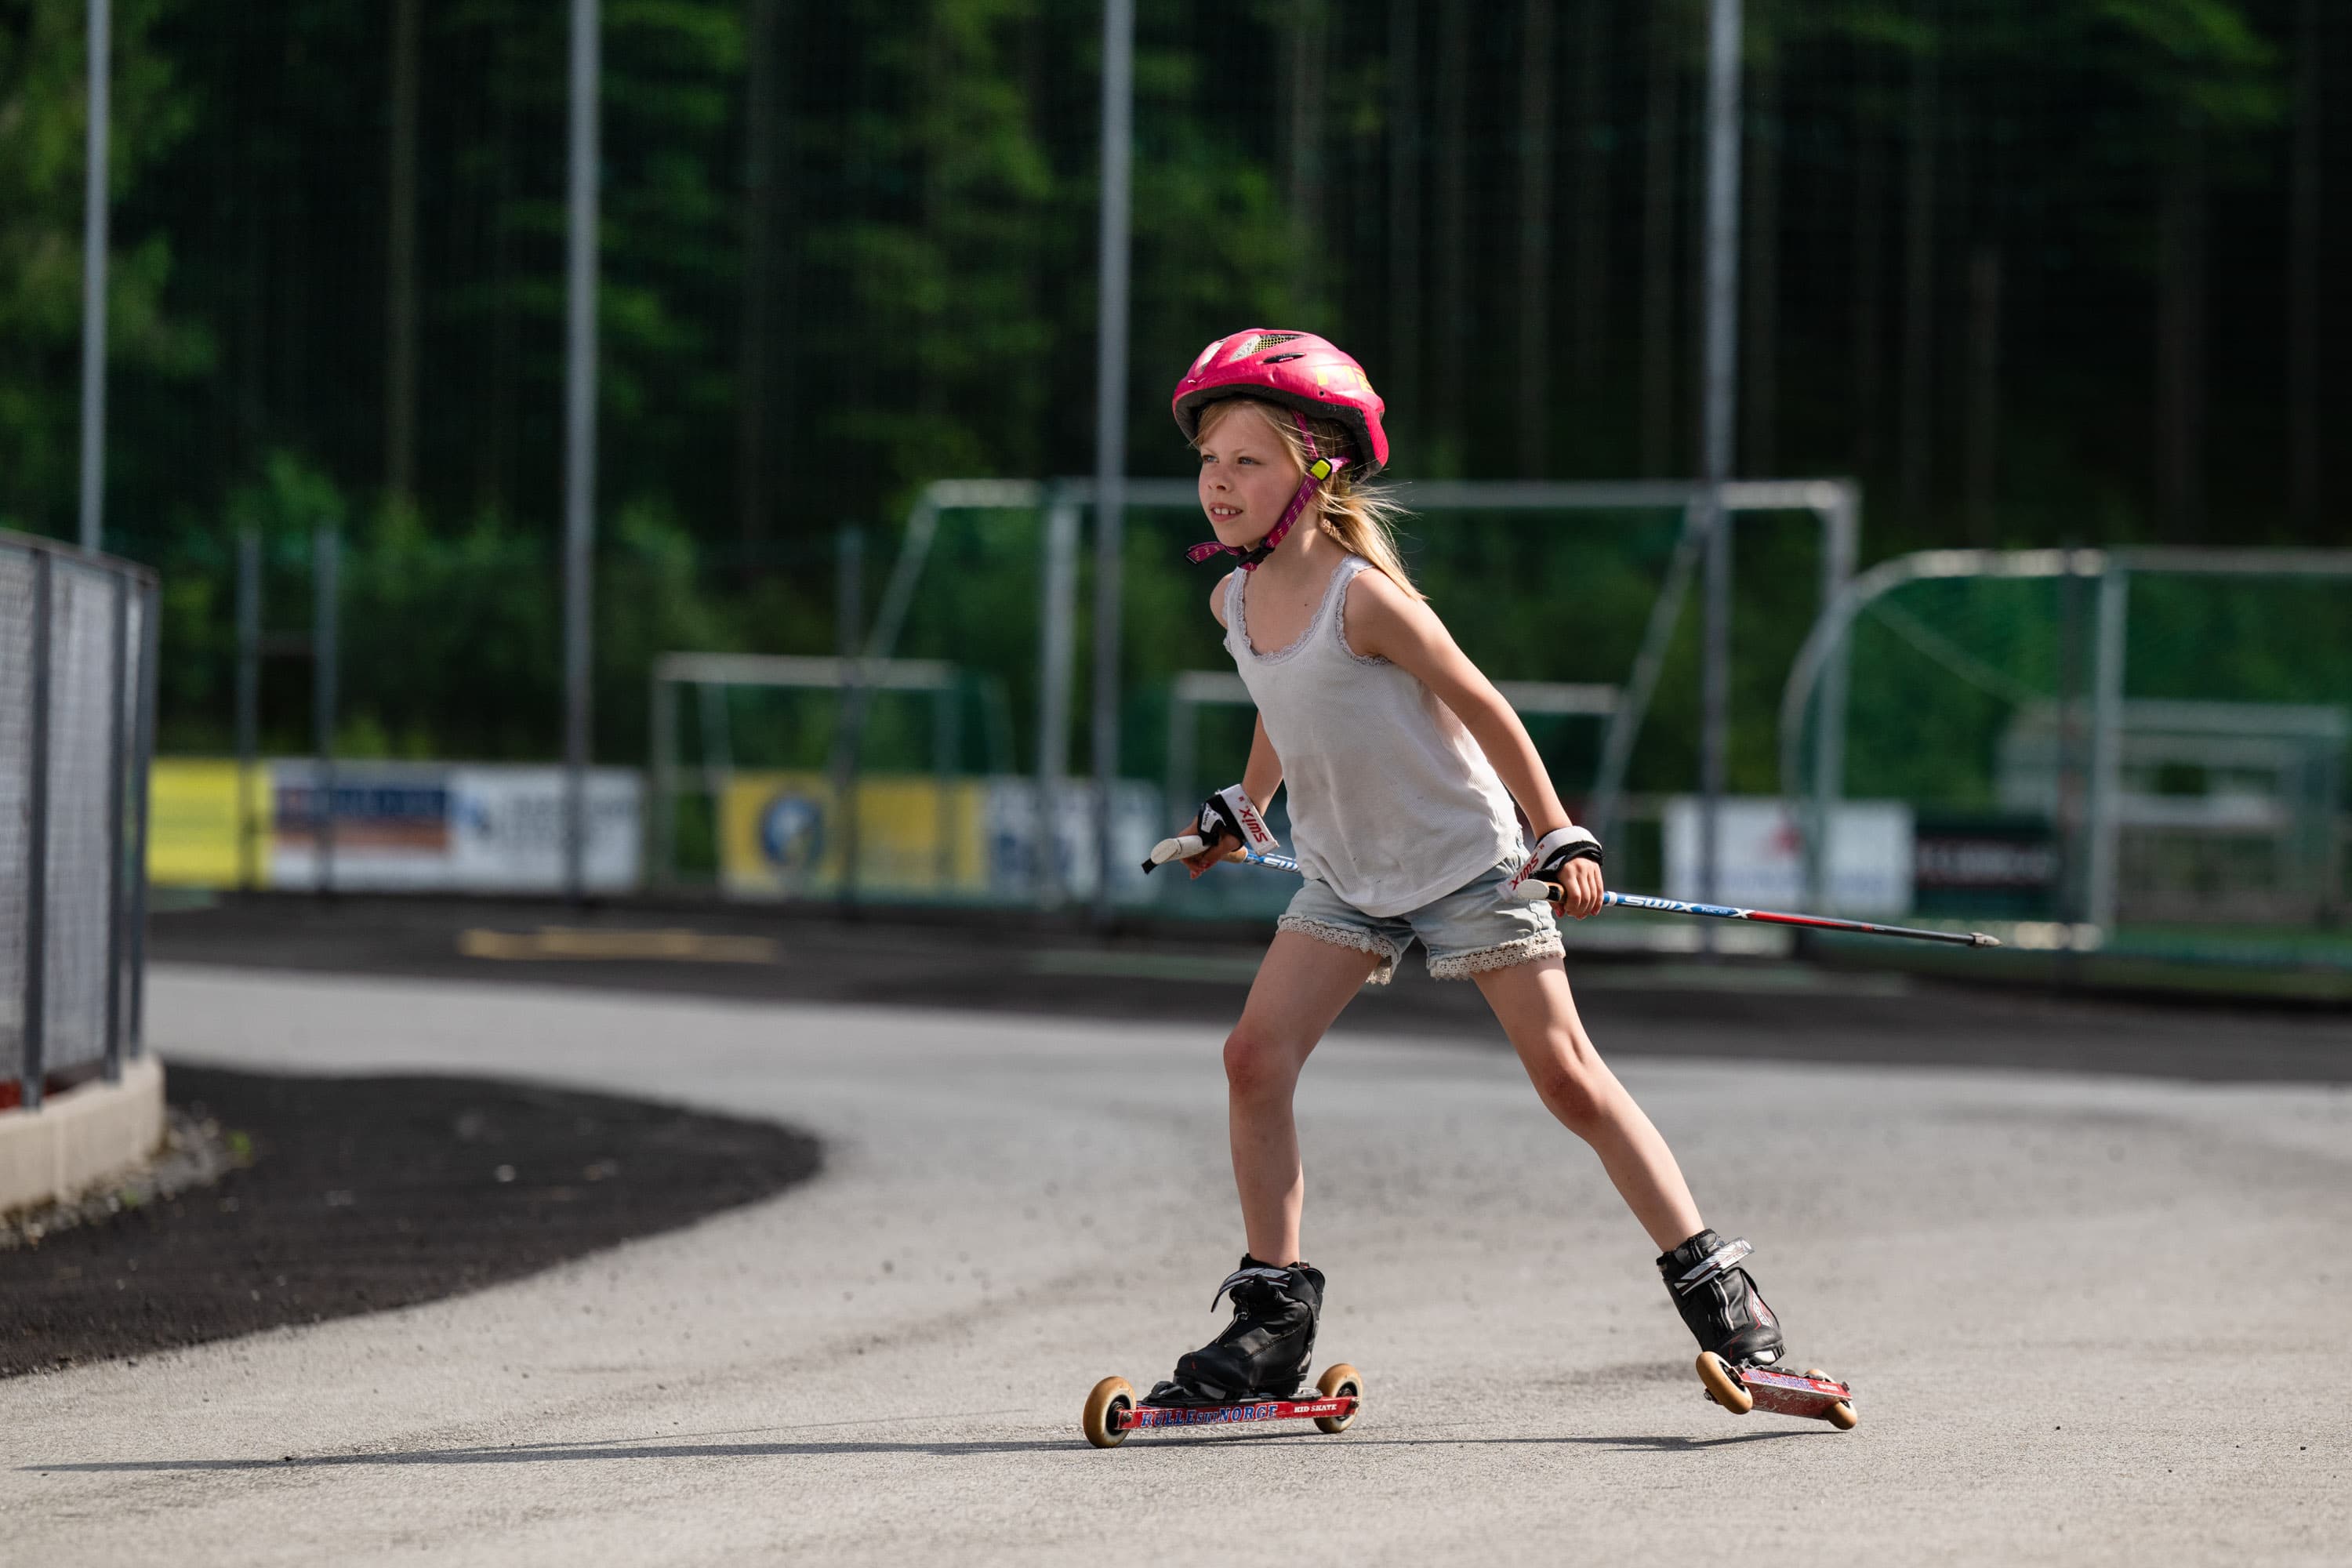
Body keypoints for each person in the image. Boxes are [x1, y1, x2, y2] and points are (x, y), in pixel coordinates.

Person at [1143, 328, 1787, 1409]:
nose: (1219, 482)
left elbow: (1485, 708)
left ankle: (1724, 1296)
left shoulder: (1365, 598)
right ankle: (1272, 1322)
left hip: (1462, 863)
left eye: (1246, 460)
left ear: (1317, 470)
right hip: (1346, 871)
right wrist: (1241, 809)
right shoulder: (1236, 604)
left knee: (1568, 1079)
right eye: (1208, 461)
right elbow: (1280, 707)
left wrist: (1558, 832)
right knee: (1254, 1058)